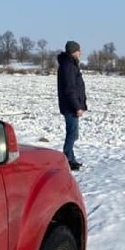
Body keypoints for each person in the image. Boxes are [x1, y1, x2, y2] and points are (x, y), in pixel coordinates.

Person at [57, 40, 87, 170]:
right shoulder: (68, 65)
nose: (80, 53)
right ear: (73, 51)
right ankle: (67, 159)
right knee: (73, 134)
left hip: (70, 105)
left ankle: (71, 159)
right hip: (70, 107)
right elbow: (70, 89)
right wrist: (77, 107)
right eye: (78, 50)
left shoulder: (70, 64)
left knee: (72, 133)